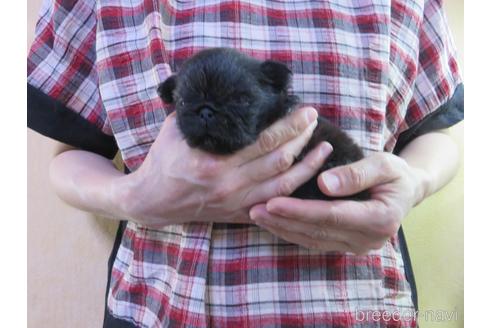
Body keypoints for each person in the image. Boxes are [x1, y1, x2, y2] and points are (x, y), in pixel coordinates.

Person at [27, 0, 463, 327]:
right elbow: (71, 154)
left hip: (361, 303)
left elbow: (433, 135)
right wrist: (131, 196)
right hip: (159, 309)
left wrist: (416, 181)